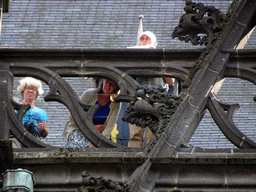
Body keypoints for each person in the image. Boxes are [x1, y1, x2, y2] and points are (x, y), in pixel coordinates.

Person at [62, 78, 121, 148]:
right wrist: (92, 129)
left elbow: (109, 128)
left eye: (112, 84)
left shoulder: (115, 104)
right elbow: (74, 116)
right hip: (78, 130)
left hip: (97, 137)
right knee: (78, 150)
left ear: (116, 88)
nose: (108, 85)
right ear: (103, 81)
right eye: (107, 81)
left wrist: (97, 144)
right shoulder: (89, 94)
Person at [14, 77, 48, 145]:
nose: (30, 91)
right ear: (23, 91)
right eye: (28, 88)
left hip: (34, 143)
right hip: (17, 142)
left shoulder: (41, 112)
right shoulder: (15, 109)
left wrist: (43, 130)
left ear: (36, 94)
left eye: (33, 89)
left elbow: (44, 135)